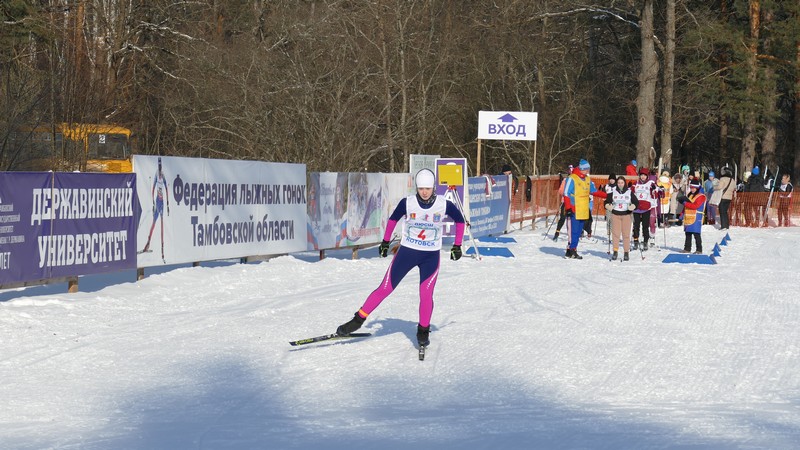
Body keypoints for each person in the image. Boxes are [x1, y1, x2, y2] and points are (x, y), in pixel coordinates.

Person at [335, 168, 466, 348]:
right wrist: (385, 242)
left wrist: (457, 245)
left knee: (426, 294)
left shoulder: (443, 204)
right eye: (421, 188)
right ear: (417, 188)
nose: (425, 192)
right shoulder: (408, 203)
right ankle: (357, 320)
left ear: (433, 188)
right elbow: (392, 220)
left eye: (428, 188)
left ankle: (423, 330)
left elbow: (460, 220)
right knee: (385, 288)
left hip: (430, 256)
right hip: (407, 253)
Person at [562, 159, 604, 259]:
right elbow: (566, 193)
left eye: (588, 169)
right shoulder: (572, 178)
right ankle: (572, 250)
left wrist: (607, 195)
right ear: (581, 169)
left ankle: (571, 249)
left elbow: (593, 191)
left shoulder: (587, 179)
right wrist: (568, 208)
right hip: (574, 207)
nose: (587, 171)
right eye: (586, 169)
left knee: (579, 230)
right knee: (574, 230)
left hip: (584, 208)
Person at [141, 157, 171, 262]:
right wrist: (153, 202)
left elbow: (166, 189)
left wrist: (167, 204)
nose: (159, 168)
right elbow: (153, 188)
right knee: (153, 223)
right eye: (158, 166)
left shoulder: (162, 175)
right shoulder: (156, 175)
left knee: (162, 225)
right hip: (158, 201)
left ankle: (162, 251)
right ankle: (147, 243)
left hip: (161, 202)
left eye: (160, 166)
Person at [605, 175, 639, 261]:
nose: (620, 184)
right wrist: (608, 206)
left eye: (622, 183)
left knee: (626, 234)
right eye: (619, 183)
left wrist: (633, 206)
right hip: (615, 215)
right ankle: (615, 251)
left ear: (624, 183)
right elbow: (606, 201)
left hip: (626, 215)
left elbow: (636, 202)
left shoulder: (629, 192)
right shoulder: (613, 193)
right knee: (616, 234)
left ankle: (626, 252)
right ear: (617, 183)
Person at [632, 167, 658, 251]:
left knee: (645, 226)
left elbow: (656, 193)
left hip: (646, 208)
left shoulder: (650, 183)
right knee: (636, 226)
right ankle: (636, 241)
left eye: (644, 175)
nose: (643, 177)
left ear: (647, 176)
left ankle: (645, 241)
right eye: (641, 175)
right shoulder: (636, 183)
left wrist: (655, 190)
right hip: (636, 208)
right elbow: (631, 192)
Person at [676, 178, 706, 254]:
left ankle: (699, 249)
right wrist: (680, 217)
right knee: (688, 234)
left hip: (696, 217)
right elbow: (685, 208)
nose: (692, 189)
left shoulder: (701, 196)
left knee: (696, 234)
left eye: (693, 188)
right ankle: (687, 248)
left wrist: (684, 203)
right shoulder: (690, 195)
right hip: (688, 217)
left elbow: (695, 206)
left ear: (697, 188)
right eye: (691, 187)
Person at [552, 165, 573, 241]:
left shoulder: (576, 181)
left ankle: (574, 234)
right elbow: (560, 191)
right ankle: (557, 233)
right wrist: (566, 193)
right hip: (565, 201)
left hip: (573, 202)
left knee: (574, 219)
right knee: (563, 218)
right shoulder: (565, 180)